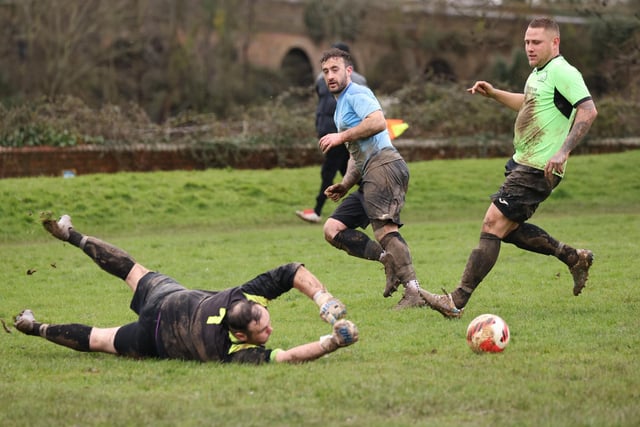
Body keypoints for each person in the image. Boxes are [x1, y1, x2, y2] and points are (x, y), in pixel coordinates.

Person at [421, 17, 598, 318]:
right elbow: (529, 103)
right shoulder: (538, 74)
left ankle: (455, 301)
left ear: (555, 42)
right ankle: (573, 257)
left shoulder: (563, 72)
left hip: (539, 167)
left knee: (492, 224)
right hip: (521, 162)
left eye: (536, 42)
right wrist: (494, 94)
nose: (529, 47)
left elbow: (588, 110)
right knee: (508, 229)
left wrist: (563, 151)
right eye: (527, 41)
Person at [14, 212, 358, 364]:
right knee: (100, 340)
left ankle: (70, 235)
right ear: (240, 336)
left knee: (132, 271)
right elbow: (288, 357)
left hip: (170, 300)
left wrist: (323, 300)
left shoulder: (243, 297)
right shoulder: (231, 353)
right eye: (263, 329)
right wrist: (331, 342)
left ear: (256, 301)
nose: (270, 327)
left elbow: (292, 271)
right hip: (156, 337)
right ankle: (32, 327)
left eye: (265, 318)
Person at [316, 47, 427, 310]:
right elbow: (357, 152)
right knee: (332, 230)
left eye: (335, 69)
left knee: (386, 231)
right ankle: (386, 259)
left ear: (349, 71)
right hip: (369, 173)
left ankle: (414, 292)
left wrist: (340, 136)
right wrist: (345, 184)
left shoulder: (357, 93)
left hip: (385, 166)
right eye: (325, 72)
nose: (330, 76)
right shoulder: (340, 105)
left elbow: (378, 122)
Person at [296, 42, 367, 224]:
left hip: (342, 133)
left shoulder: (356, 82)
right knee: (345, 170)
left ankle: (317, 210)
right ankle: (377, 193)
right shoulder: (322, 78)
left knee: (328, 170)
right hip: (327, 131)